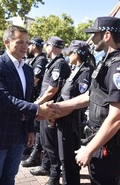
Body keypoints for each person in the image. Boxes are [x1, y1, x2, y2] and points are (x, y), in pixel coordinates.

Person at [48, 16, 120, 185]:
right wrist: (57, 106)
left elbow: (117, 116)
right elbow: (90, 96)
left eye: (94, 34)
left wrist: (89, 149)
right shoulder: (106, 61)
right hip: (96, 138)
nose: (91, 39)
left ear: (107, 35)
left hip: (106, 143)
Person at [0, 25, 60, 185]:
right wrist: (38, 109)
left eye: (27, 42)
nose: (25, 46)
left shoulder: (28, 69)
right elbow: (3, 100)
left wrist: (30, 129)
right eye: (20, 42)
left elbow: (27, 99)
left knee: (9, 178)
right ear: (6, 42)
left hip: (19, 135)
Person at [32, 36, 71, 185]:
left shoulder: (59, 64)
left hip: (50, 109)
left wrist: (37, 104)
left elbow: (52, 90)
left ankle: (54, 175)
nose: (46, 48)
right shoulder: (54, 63)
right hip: (46, 107)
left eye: (48, 45)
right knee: (44, 140)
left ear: (52, 46)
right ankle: (46, 166)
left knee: (50, 143)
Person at [56, 40, 95, 185]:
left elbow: (77, 101)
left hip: (71, 122)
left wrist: (56, 113)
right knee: (65, 159)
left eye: (71, 52)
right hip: (64, 120)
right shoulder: (76, 69)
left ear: (77, 54)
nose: (68, 55)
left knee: (69, 161)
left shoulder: (85, 73)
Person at [21, 36, 48, 167]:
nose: (28, 47)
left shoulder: (41, 60)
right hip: (33, 96)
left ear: (35, 45)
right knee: (32, 123)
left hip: (37, 96)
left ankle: (35, 155)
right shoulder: (35, 59)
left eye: (30, 44)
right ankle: (30, 147)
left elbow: (34, 79)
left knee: (36, 127)